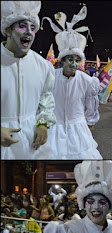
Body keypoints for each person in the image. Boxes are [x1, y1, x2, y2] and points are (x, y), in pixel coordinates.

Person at [42, 7, 102, 159]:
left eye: (77, 60)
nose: (74, 63)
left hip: (78, 128)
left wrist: (90, 123)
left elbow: (91, 105)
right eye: (70, 59)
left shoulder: (87, 81)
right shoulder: (51, 77)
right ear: (62, 61)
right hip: (53, 129)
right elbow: (43, 101)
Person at [1, 1, 56, 159]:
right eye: (22, 26)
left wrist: (43, 124)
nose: (29, 32)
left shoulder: (42, 65)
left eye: (32, 28)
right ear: (8, 30)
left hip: (32, 145)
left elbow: (46, 97)